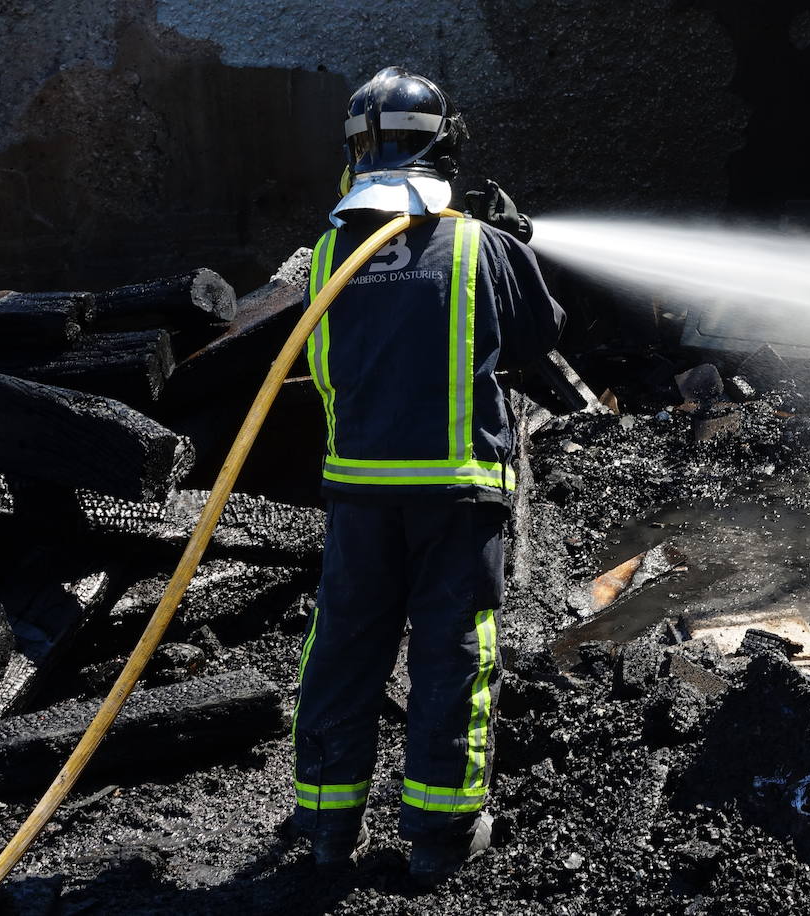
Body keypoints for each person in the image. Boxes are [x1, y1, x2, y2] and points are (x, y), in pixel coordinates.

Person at [292, 66, 564, 886]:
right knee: (451, 652)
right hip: (457, 492)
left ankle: (328, 833)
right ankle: (438, 836)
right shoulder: (483, 245)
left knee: (343, 650)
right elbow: (537, 337)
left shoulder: (329, 256)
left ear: (356, 152)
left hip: (359, 494)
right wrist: (517, 243)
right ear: (446, 146)